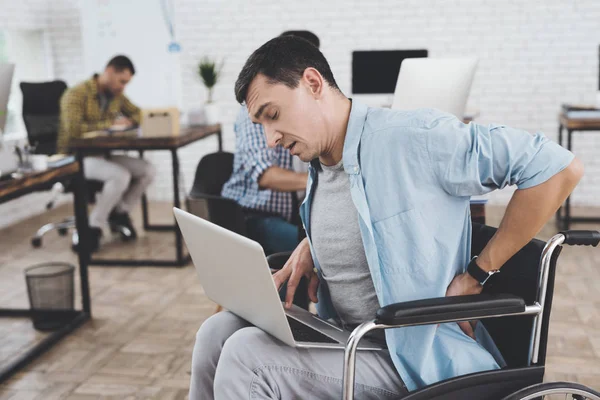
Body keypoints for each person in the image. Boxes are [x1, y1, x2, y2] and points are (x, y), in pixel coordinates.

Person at [188, 36, 583, 399]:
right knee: (217, 331)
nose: (271, 138)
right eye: (262, 125)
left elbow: (557, 168)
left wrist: (479, 273)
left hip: (412, 355)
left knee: (247, 357)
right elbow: (373, 217)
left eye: (273, 115)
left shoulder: (415, 136)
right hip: (353, 336)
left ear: (312, 83)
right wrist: (315, 243)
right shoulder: (323, 162)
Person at [220, 31, 318, 254]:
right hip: (254, 215)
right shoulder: (255, 110)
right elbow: (266, 175)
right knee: (318, 252)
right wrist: (322, 180)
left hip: (297, 212)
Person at [57, 55, 155, 252]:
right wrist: (110, 125)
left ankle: (119, 212)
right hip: (75, 158)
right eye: (122, 81)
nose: (123, 87)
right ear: (109, 72)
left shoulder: (116, 95)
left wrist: (130, 121)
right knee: (120, 175)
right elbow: (74, 130)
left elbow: (138, 113)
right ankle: (94, 226)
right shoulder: (75, 94)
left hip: (102, 155)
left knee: (147, 170)